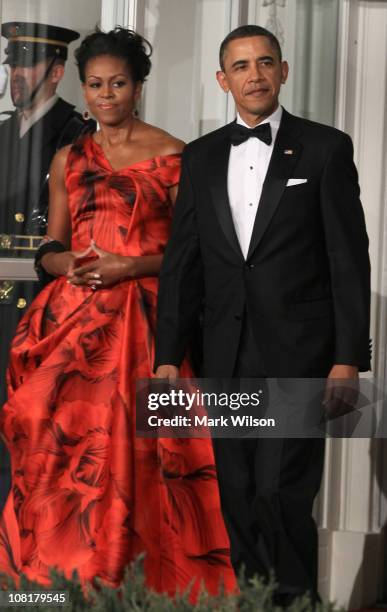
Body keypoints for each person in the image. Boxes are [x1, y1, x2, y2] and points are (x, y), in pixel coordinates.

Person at [0, 27, 236, 597]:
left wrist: (128, 267)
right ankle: (52, 583)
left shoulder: (177, 156)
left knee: (138, 455)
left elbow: (196, 256)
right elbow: (50, 249)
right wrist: (70, 267)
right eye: (96, 85)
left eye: (118, 83)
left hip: (146, 322)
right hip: (69, 320)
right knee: (46, 440)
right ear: (82, 89)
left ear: (139, 87)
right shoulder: (67, 159)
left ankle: (137, 582)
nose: (106, 95)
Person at [155, 25, 371, 603]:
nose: (255, 75)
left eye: (265, 62)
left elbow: (348, 261)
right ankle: (257, 601)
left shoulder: (326, 147)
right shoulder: (199, 157)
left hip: (302, 354)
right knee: (241, 492)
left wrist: (348, 359)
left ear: (283, 71)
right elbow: (183, 261)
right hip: (224, 350)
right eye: (242, 66)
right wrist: (167, 356)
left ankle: (295, 602)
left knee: (282, 492)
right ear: (223, 80)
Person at [0, 21, 95, 509]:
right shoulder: (0, 132)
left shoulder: (78, 135)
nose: (17, 73)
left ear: (56, 72)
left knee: (34, 425)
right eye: (12, 62)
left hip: (40, 301)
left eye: (29, 63)